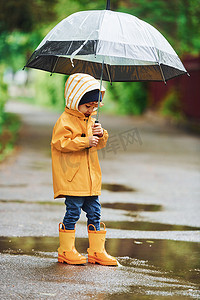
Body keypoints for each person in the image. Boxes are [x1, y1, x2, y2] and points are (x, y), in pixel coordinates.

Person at [51, 73, 117, 266]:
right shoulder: (65, 121)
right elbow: (60, 143)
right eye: (87, 106)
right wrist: (85, 140)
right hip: (73, 179)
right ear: (74, 100)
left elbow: (98, 144)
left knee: (95, 212)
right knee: (73, 212)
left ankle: (96, 251)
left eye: (94, 106)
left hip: (90, 179)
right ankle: (65, 250)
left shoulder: (91, 121)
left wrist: (100, 134)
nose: (91, 110)